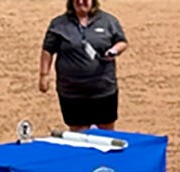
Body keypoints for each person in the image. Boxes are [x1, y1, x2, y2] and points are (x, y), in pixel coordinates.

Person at [40, 0, 128, 132]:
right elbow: (48, 50)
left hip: (103, 89)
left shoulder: (108, 21)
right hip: (72, 92)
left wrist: (115, 50)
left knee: (106, 132)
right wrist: (44, 75)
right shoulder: (58, 24)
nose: (81, 2)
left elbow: (122, 41)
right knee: (79, 133)